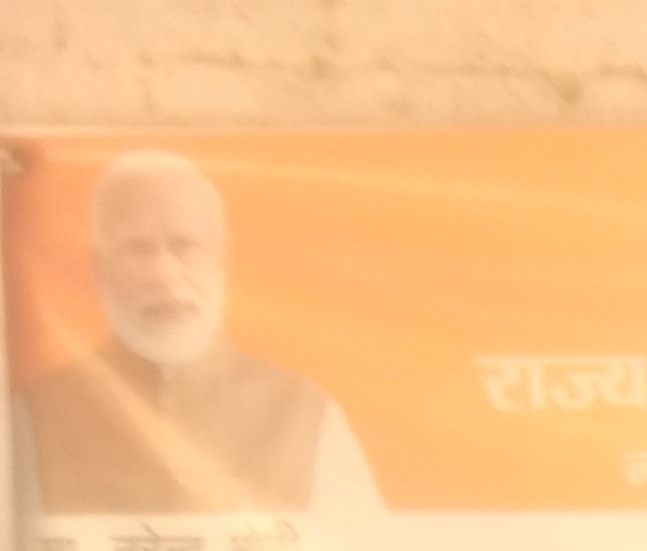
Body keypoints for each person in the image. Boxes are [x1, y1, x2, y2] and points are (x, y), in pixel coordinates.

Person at [14, 152, 382, 514]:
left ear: (220, 256)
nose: (164, 274)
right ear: (100, 267)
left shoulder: (305, 415)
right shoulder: (34, 417)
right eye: (138, 249)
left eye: (185, 246)